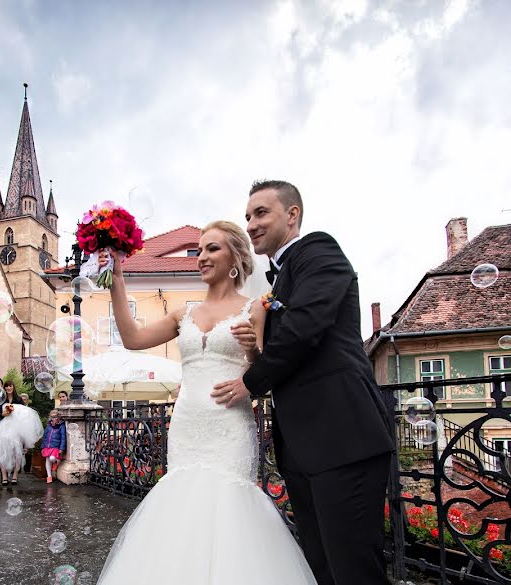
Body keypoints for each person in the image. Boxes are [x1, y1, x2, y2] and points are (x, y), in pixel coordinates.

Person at [95, 220, 317, 584]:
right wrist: (118, 278)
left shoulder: (256, 309)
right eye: (199, 250)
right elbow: (133, 338)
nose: (201, 257)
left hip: (229, 424)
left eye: (212, 248)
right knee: (182, 511)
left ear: (235, 259)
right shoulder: (183, 313)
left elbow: (262, 375)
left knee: (230, 512)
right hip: (186, 425)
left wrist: (250, 350)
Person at [210, 180, 393, 585]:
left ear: (292, 215)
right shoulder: (279, 280)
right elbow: (288, 346)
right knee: (322, 565)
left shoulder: (318, 250)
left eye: (262, 212)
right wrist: (255, 352)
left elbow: (305, 326)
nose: (251, 224)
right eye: (247, 216)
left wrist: (249, 381)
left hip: (343, 435)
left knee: (354, 569)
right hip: (305, 445)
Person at [0, 402, 43, 487]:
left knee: (17, 454)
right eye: (7, 387)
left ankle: (15, 476)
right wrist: (3, 414)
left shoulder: (18, 401)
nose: (8, 387)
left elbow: (24, 415)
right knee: (3, 452)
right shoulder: (0, 403)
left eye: (10, 386)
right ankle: (4, 477)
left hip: (16, 429)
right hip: (4, 428)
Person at [41, 410, 67, 484]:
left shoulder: (61, 426)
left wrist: (62, 448)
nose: (53, 418)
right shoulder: (49, 425)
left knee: (52, 458)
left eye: (55, 417)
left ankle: (55, 462)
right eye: (52, 417)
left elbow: (63, 437)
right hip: (47, 446)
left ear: (58, 417)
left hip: (55, 446)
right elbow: (45, 436)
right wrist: (43, 446)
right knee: (47, 460)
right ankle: (49, 476)